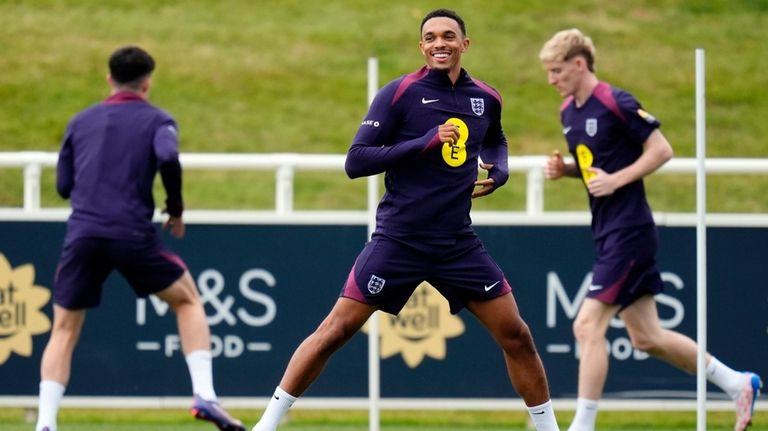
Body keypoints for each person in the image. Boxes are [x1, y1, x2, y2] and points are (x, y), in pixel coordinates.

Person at [251, 9, 560, 431]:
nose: (440, 43)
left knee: (516, 335)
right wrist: (425, 142)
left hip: (457, 243)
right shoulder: (400, 93)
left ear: (464, 44)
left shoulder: (486, 97)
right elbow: (356, 161)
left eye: (449, 36)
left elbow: (496, 138)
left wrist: (499, 167)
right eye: (431, 37)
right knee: (335, 330)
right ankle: (266, 425)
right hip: (400, 240)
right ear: (421, 46)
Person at [539, 28, 762, 431]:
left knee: (586, 325)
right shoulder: (568, 112)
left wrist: (618, 180)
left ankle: (582, 426)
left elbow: (662, 150)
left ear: (579, 63)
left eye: (557, 71)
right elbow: (596, 169)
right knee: (647, 337)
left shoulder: (615, 101)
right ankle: (737, 383)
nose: (551, 80)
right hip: (606, 230)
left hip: (630, 229)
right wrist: (567, 170)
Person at [35, 46, 245, 431]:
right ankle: (205, 395)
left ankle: (46, 423)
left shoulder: (79, 122)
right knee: (188, 300)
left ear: (108, 79)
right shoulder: (158, 120)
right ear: (147, 81)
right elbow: (167, 157)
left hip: (82, 233)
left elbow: (64, 186)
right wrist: (175, 208)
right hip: (129, 232)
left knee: (63, 329)